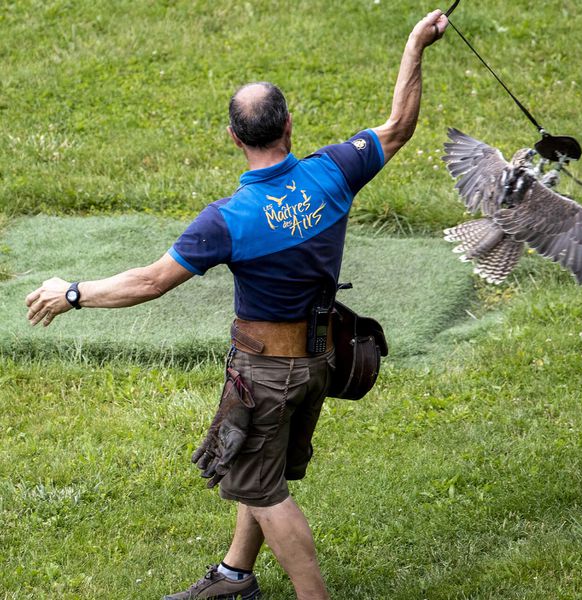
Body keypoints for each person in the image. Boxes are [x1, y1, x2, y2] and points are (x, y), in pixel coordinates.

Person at [24, 9, 449, 600]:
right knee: (262, 465)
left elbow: (150, 282)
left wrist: (72, 293)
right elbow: (400, 124)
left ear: (233, 137)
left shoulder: (227, 221)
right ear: (290, 126)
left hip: (266, 373)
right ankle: (234, 576)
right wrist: (414, 46)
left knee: (259, 487)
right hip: (319, 361)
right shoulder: (334, 171)